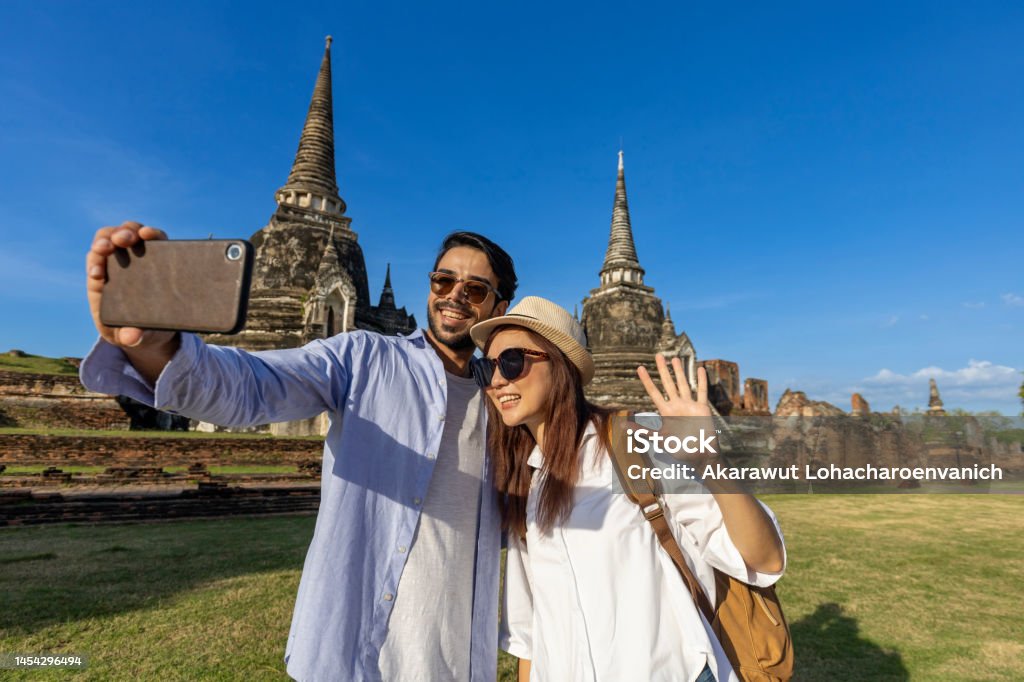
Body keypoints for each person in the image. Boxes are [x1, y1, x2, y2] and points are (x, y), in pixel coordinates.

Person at [80, 221, 517, 681]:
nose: (453, 296)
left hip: (455, 653)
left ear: (498, 306)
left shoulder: (506, 402)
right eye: (443, 281)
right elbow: (252, 387)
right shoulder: (362, 358)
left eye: (474, 290)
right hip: (353, 649)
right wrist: (156, 345)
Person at [468, 296, 786, 682]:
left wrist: (708, 464)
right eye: (485, 368)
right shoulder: (528, 482)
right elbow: (529, 634)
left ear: (561, 364)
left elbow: (762, 559)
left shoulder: (632, 446)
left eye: (512, 362)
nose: (498, 380)